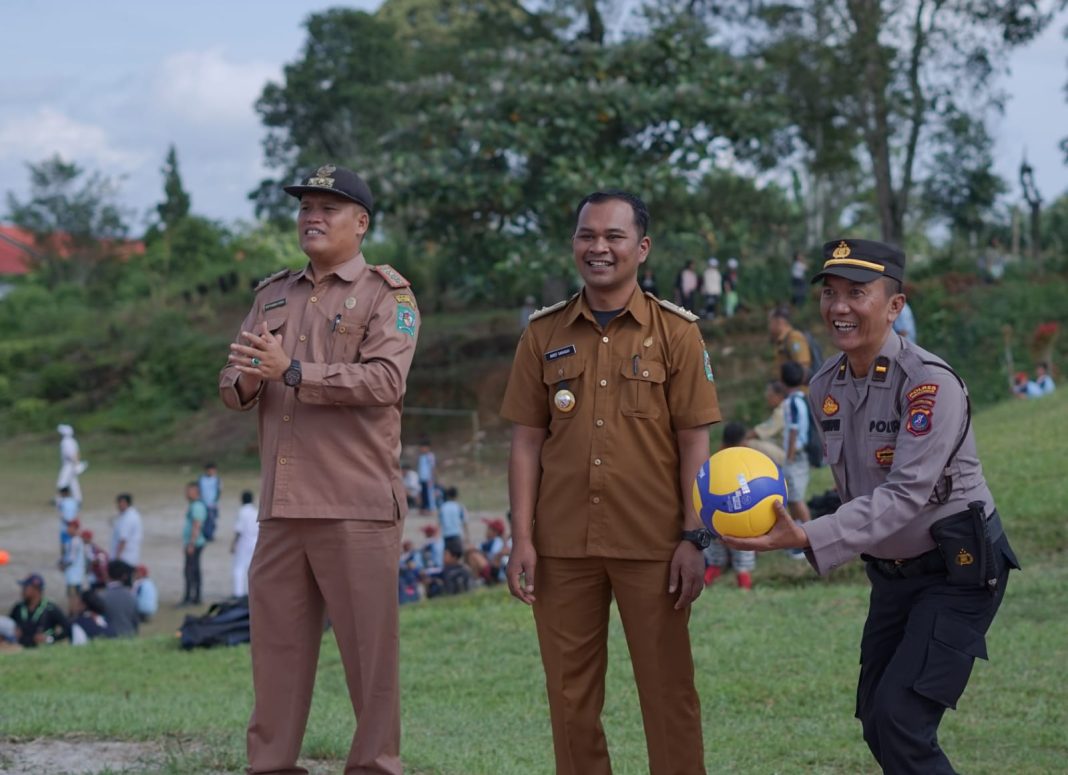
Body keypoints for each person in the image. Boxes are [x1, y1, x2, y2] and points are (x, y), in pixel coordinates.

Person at [723, 237, 1019, 775]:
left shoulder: (930, 385)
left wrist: (809, 536)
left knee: (901, 717)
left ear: (894, 306)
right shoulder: (824, 387)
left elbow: (904, 494)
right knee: (875, 716)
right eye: (830, 293)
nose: (839, 307)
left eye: (857, 293)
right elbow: (856, 490)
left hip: (958, 572)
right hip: (893, 575)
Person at [501, 190, 721, 775]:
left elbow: (695, 442)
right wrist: (521, 538)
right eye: (586, 235)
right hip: (562, 546)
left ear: (641, 248)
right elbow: (525, 440)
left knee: (668, 694)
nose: (598, 247)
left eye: (613, 236)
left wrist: (694, 537)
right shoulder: (543, 333)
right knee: (570, 700)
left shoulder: (677, 334)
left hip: (654, 546)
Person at [219, 164, 418, 775]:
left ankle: (375, 767)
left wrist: (294, 372)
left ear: (360, 223)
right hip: (283, 507)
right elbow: (231, 386)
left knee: (370, 659)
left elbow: (387, 381)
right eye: (306, 205)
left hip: (354, 505)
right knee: (276, 653)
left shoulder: (389, 295)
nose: (312, 215)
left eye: (328, 207)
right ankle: (272, 766)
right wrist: (250, 378)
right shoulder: (272, 295)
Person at [704, 427, 756, 589]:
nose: (748, 443)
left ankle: (703, 586)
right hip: (740, 521)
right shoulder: (744, 462)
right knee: (742, 561)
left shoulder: (714, 460)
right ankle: (745, 591)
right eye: (746, 440)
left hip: (715, 520)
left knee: (716, 560)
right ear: (740, 442)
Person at [780, 361, 813, 555]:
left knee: (796, 499)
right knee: (793, 498)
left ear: (783, 382)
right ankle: (799, 539)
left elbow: (793, 430)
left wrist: (790, 457)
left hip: (796, 456)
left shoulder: (792, 402)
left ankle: (810, 541)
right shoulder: (802, 399)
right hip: (800, 454)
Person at [10, 573, 68, 647]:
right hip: (19, 648)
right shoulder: (18, 607)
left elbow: (68, 629)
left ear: (36, 589)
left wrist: (49, 639)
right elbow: (8, 625)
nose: (22, 590)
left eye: (25, 587)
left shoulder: (50, 608)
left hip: (42, 650)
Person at [744, 381, 787, 465]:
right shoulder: (785, 407)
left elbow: (759, 432)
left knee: (748, 443)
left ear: (779, 396)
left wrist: (740, 438)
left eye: (770, 396)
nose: (768, 398)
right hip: (783, 447)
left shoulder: (781, 412)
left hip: (785, 453)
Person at [768, 305, 812, 383]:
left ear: (779, 322)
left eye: (770, 322)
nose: (769, 326)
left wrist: (796, 391)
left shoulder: (793, 338)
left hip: (796, 390)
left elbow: (803, 366)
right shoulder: (782, 340)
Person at [95, 560, 139, 637]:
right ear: (124, 576)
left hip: (107, 638)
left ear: (107, 574)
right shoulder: (131, 595)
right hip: (129, 637)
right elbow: (135, 622)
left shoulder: (100, 596)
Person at [181, 481, 207, 606]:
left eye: (189, 490)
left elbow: (197, 525)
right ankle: (196, 597)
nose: (186, 493)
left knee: (190, 571)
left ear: (195, 492)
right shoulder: (195, 505)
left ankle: (189, 597)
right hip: (195, 543)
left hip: (195, 544)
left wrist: (191, 543)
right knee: (194, 570)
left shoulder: (197, 506)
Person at [231, 490, 260, 597]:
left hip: (243, 542)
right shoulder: (255, 511)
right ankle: (250, 592)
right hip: (255, 542)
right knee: (251, 568)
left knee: (238, 567)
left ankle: (238, 592)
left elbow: (239, 530)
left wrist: (233, 544)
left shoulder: (242, 512)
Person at [110, 493, 143, 567]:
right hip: (131, 558)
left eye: (121, 502)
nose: (119, 505)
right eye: (118, 502)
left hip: (124, 559)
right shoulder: (133, 515)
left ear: (127, 503)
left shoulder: (127, 518)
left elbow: (123, 539)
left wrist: (117, 558)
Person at [55, 424, 86, 505]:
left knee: (62, 482)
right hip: (73, 465)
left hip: (68, 465)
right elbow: (77, 453)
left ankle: (59, 500)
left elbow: (71, 455)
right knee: (73, 483)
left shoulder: (65, 442)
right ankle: (78, 499)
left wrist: (76, 464)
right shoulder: (73, 441)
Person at [437, 486, 469, 558]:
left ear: (448, 495)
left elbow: (439, 523)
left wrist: (437, 537)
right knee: (457, 557)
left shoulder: (443, 507)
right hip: (456, 535)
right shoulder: (460, 507)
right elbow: (465, 523)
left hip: (446, 536)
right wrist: (467, 537)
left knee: (447, 558)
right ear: (456, 496)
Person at [61, 518, 88, 597]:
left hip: (73, 574)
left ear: (74, 528)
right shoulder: (79, 539)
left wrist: (63, 565)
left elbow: (71, 559)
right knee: (77, 594)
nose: (67, 529)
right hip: (78, 574)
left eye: (69, 527)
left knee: (73, 596)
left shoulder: (74, 541)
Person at [198, 463, 222, 542]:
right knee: (203, 520)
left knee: (211, 520)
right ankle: (205, 534)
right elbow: (198, 490)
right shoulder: (201, 479)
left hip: (212, 504)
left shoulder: (217, 479)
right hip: (203, 503)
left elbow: (219, 491)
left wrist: (215, 501)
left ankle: (210, 535)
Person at [55, 485, 79, 560]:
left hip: (65, 527)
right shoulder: (74, 502)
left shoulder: (62, 502)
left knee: (63, 544)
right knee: (72, 543)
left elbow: (61, 515)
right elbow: (76, 514)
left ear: (64, 493)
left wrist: (67, 523)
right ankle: (71, 558)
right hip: (73, 527)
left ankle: (63, 558)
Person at [416, 439, 437, 514]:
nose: (422, 449)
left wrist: (432, 478)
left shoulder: (430, 456)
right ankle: (424, 508)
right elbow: (420, 468)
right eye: (421, 448)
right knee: (423, 494)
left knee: (429, 494)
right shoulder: (421, 457)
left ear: (428, 448)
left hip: (428, 478)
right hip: (422, 478)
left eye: (424, 447)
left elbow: (432, 467)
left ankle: (431, 509)